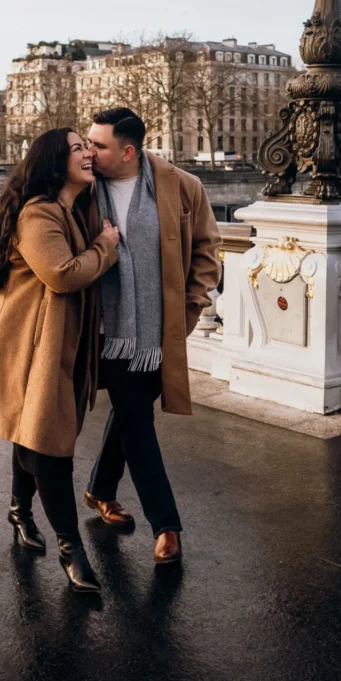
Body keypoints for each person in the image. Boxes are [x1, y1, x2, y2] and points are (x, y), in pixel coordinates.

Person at [0, 128, 119, 593]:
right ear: (56, 163)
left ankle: (18, 511)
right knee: (50, 450)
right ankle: (71, 550)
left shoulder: (68, 210)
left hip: (54, 347)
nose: (88, 154)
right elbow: (63, 275)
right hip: (31, 350)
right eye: (77, 148)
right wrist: (107, 246)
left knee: (31, 435)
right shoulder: (39, 213)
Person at [84, 108, 222, 565]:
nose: (90, 151)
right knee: (137, 420)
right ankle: (167, 525)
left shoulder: (181, 185)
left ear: (128, 151)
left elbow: (206, 249)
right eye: (88, 143)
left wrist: (190, 307)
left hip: (154, 329)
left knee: (132, 412)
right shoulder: (81, 185)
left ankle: (101, 490)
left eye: (99, 145)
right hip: (101, 325)